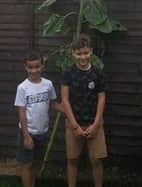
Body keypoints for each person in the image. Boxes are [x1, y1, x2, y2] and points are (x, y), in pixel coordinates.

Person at [61, 34, 107, 187]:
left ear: (91, 52)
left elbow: (101, 99)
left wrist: (96, 124)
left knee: (96, 160)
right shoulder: (68, 73)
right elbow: (65, 100)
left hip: (95, 123)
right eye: (79, 53)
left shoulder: (98, 73)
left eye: (86, 53)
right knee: (72, 160)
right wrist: (74, 126)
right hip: (74, 123)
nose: (83, 57)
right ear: (73, 53)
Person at [14, 51, 63, 187]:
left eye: (37, 67)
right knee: (27, 165)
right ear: (26, 67)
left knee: (35, 164)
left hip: (42, 132)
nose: (34, 70)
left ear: (42, 66)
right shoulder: (22, 88)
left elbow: (54, 104)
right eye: (30, 67)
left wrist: (68, 110)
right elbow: (21, 113)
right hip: (28, 133)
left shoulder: (48, 84)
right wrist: (26, 136)